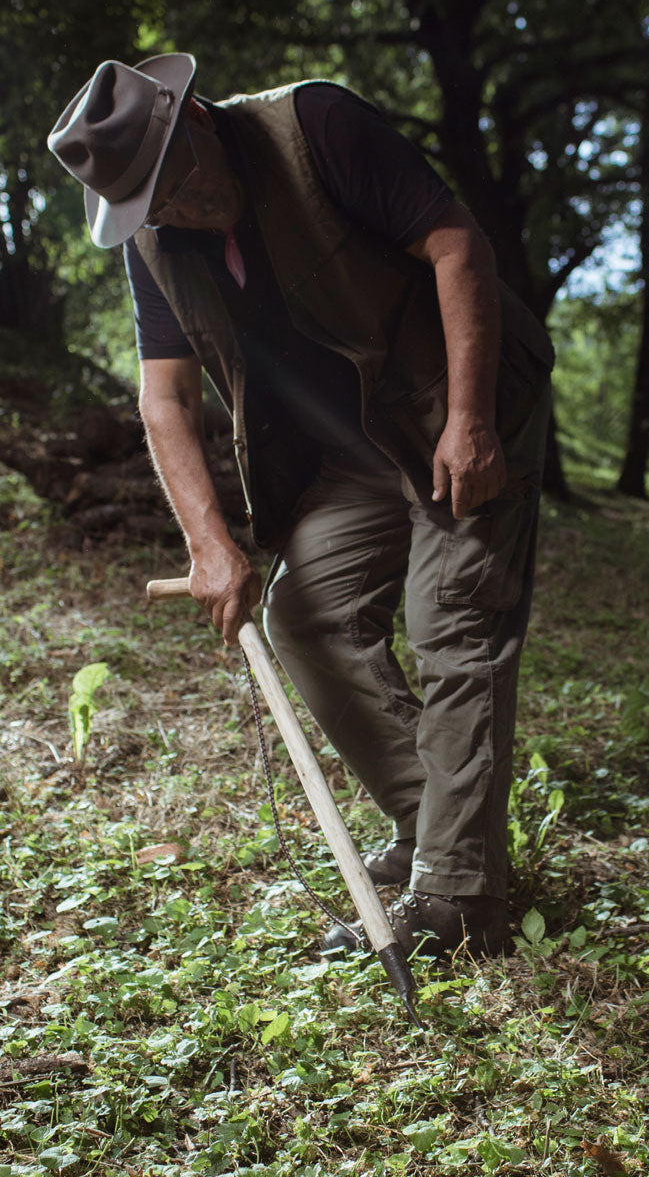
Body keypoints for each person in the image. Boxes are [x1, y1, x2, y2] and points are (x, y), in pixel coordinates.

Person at [47, 53, 554, 959]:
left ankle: (459, 902)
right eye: (145, 207)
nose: (168, 213)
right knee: (305, 616)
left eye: (170, 187)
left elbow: (456, 247)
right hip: (350, 449)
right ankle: (432, 826)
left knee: (452, 623)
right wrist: (210, 544)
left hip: (456, 404)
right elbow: (165, 398)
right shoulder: (154, 244)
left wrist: (473, 420)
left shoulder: (315, 127)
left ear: (196, 119)